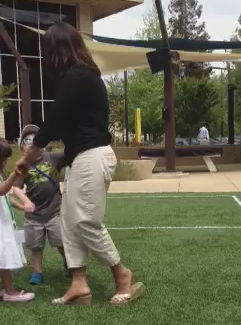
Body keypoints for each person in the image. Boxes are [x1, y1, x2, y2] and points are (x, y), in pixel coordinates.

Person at [16, 22, 144, 306]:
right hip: (80, 158)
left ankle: (121, 274)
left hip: (91, 156)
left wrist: (26, 158)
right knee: (68, 221)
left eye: (47, 50)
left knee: (85, 220)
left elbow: (53, 124)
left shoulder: (78, 77)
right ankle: (79, 283)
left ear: (57, 50)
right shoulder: (80, 77)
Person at [13, 124, 68, 285]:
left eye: (34, 140)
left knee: (61, 242)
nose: (30, 143)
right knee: (35, 247)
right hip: (33, 216)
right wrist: (26, 201)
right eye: (27, 140)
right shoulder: (24, 165)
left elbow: (70, 152)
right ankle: (37, 273)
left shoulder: (52, 158)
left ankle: (69, 263)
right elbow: (15, 188)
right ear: (22, 147)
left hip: (54, 212)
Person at [0, 138, 35, 302]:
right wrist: (15, 174)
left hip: (4, 222)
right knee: (3, 258)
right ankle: (9, 291)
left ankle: (7, 290)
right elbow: (1, 191)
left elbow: (6, 197)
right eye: (4, 159)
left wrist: (22, 207)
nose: (6, 162)